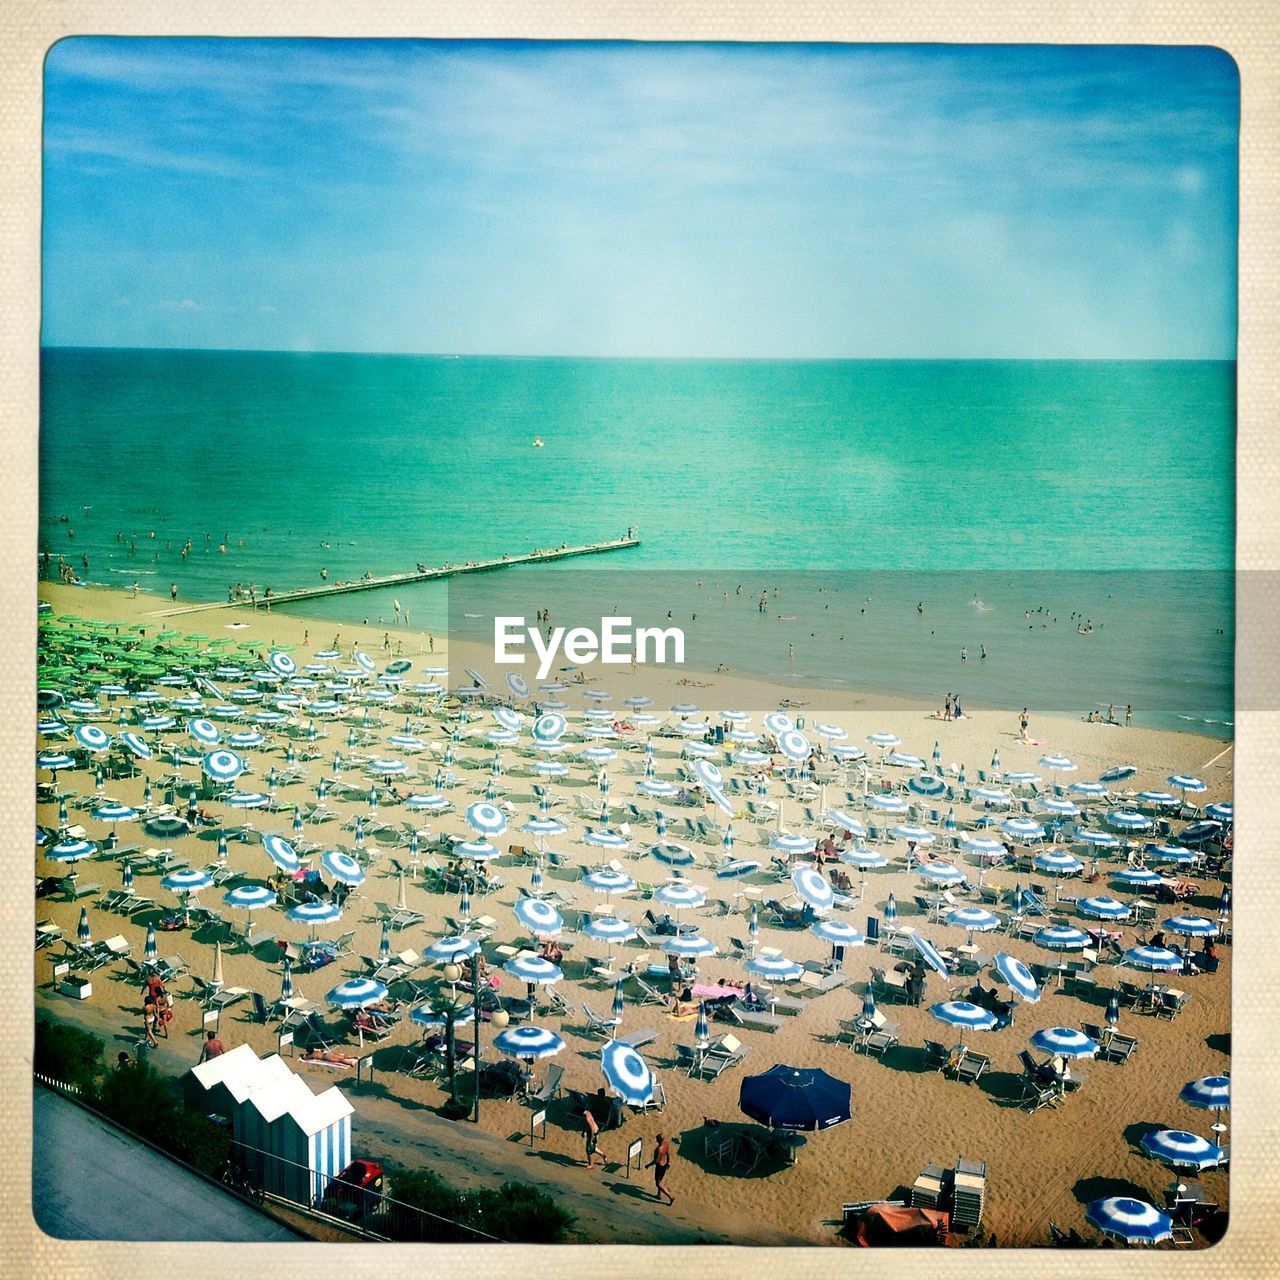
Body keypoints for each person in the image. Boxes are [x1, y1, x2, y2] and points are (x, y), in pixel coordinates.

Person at [648, 1133, 675, 1204]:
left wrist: (648, 1165)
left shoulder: (658, 1149)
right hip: (665, 1165)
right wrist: (668, 1162)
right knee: (660, 1180)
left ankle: (670, 1197)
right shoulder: (666, 1144)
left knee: (658, 1183)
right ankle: (659, 1195)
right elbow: (668, 1154)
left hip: (659, 1167)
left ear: (658, 1140)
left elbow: (656, 1160)